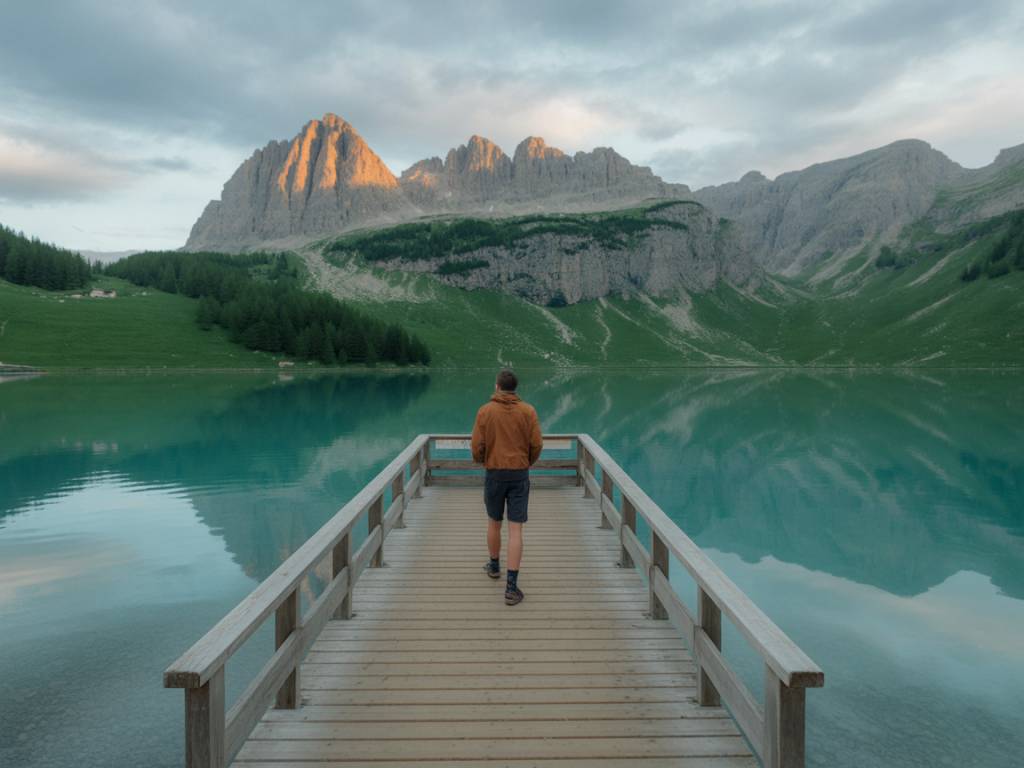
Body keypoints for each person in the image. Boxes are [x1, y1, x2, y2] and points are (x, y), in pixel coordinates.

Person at [470, 369, 543, 606]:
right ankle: (511, 589)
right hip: (519, 474)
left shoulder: (485, 410)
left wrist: (485, 460)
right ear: (515, 388)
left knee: (493, 522)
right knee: (516, 530)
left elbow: (477, 445)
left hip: (494, 473)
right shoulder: (528, 411)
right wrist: (526, 462)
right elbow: (536, 444)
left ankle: (493, 566)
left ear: (497, 387)